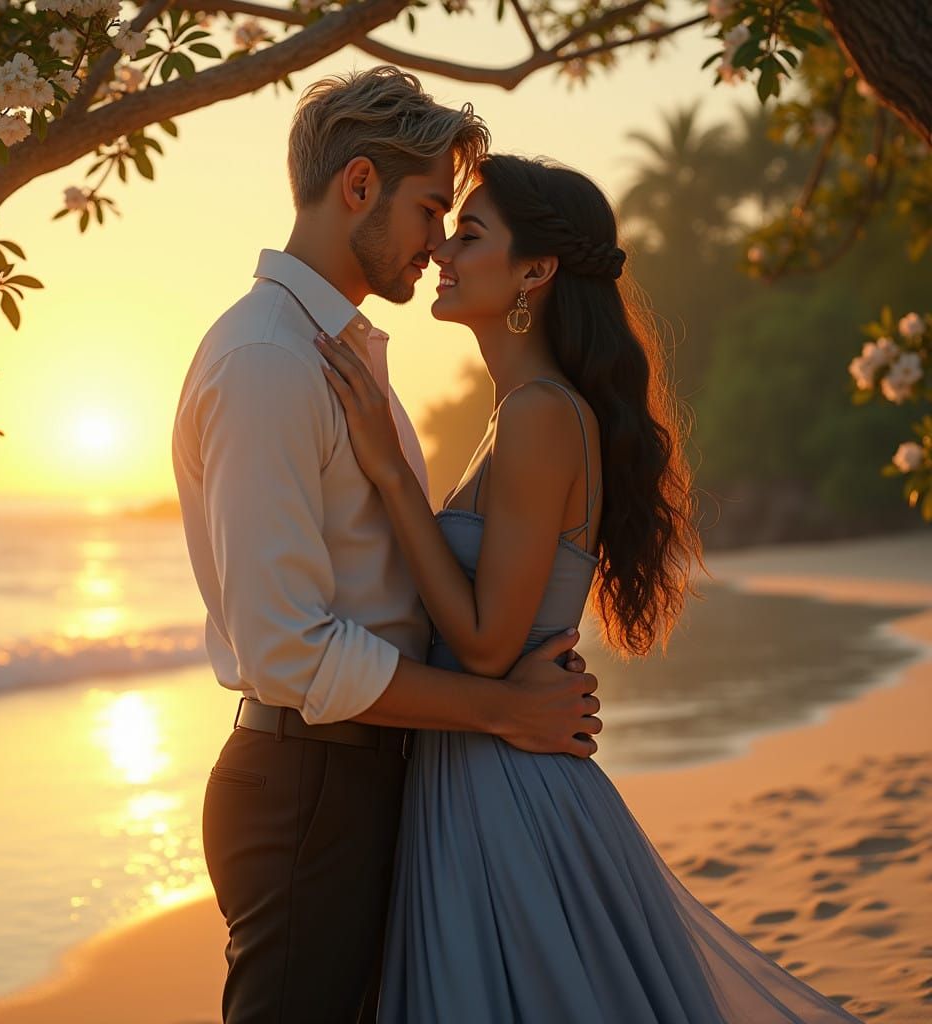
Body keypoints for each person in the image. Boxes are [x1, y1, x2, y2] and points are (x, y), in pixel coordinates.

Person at [317, 154, 866, 1022]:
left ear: (536, 270)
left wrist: (389, 476)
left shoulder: (540, 414)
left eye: (469, 233)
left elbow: (491, 643)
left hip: (504, 792)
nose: (442, 252)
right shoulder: (523, 413)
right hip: (483, 773)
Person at [171, 69, 602, 1023]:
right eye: (429, 209)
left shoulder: (338, 354)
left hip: (361, 774)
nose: (440, 241)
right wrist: (499, 711)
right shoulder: (269, 364)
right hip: (308, 784)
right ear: (357, 186)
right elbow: (288, 647)